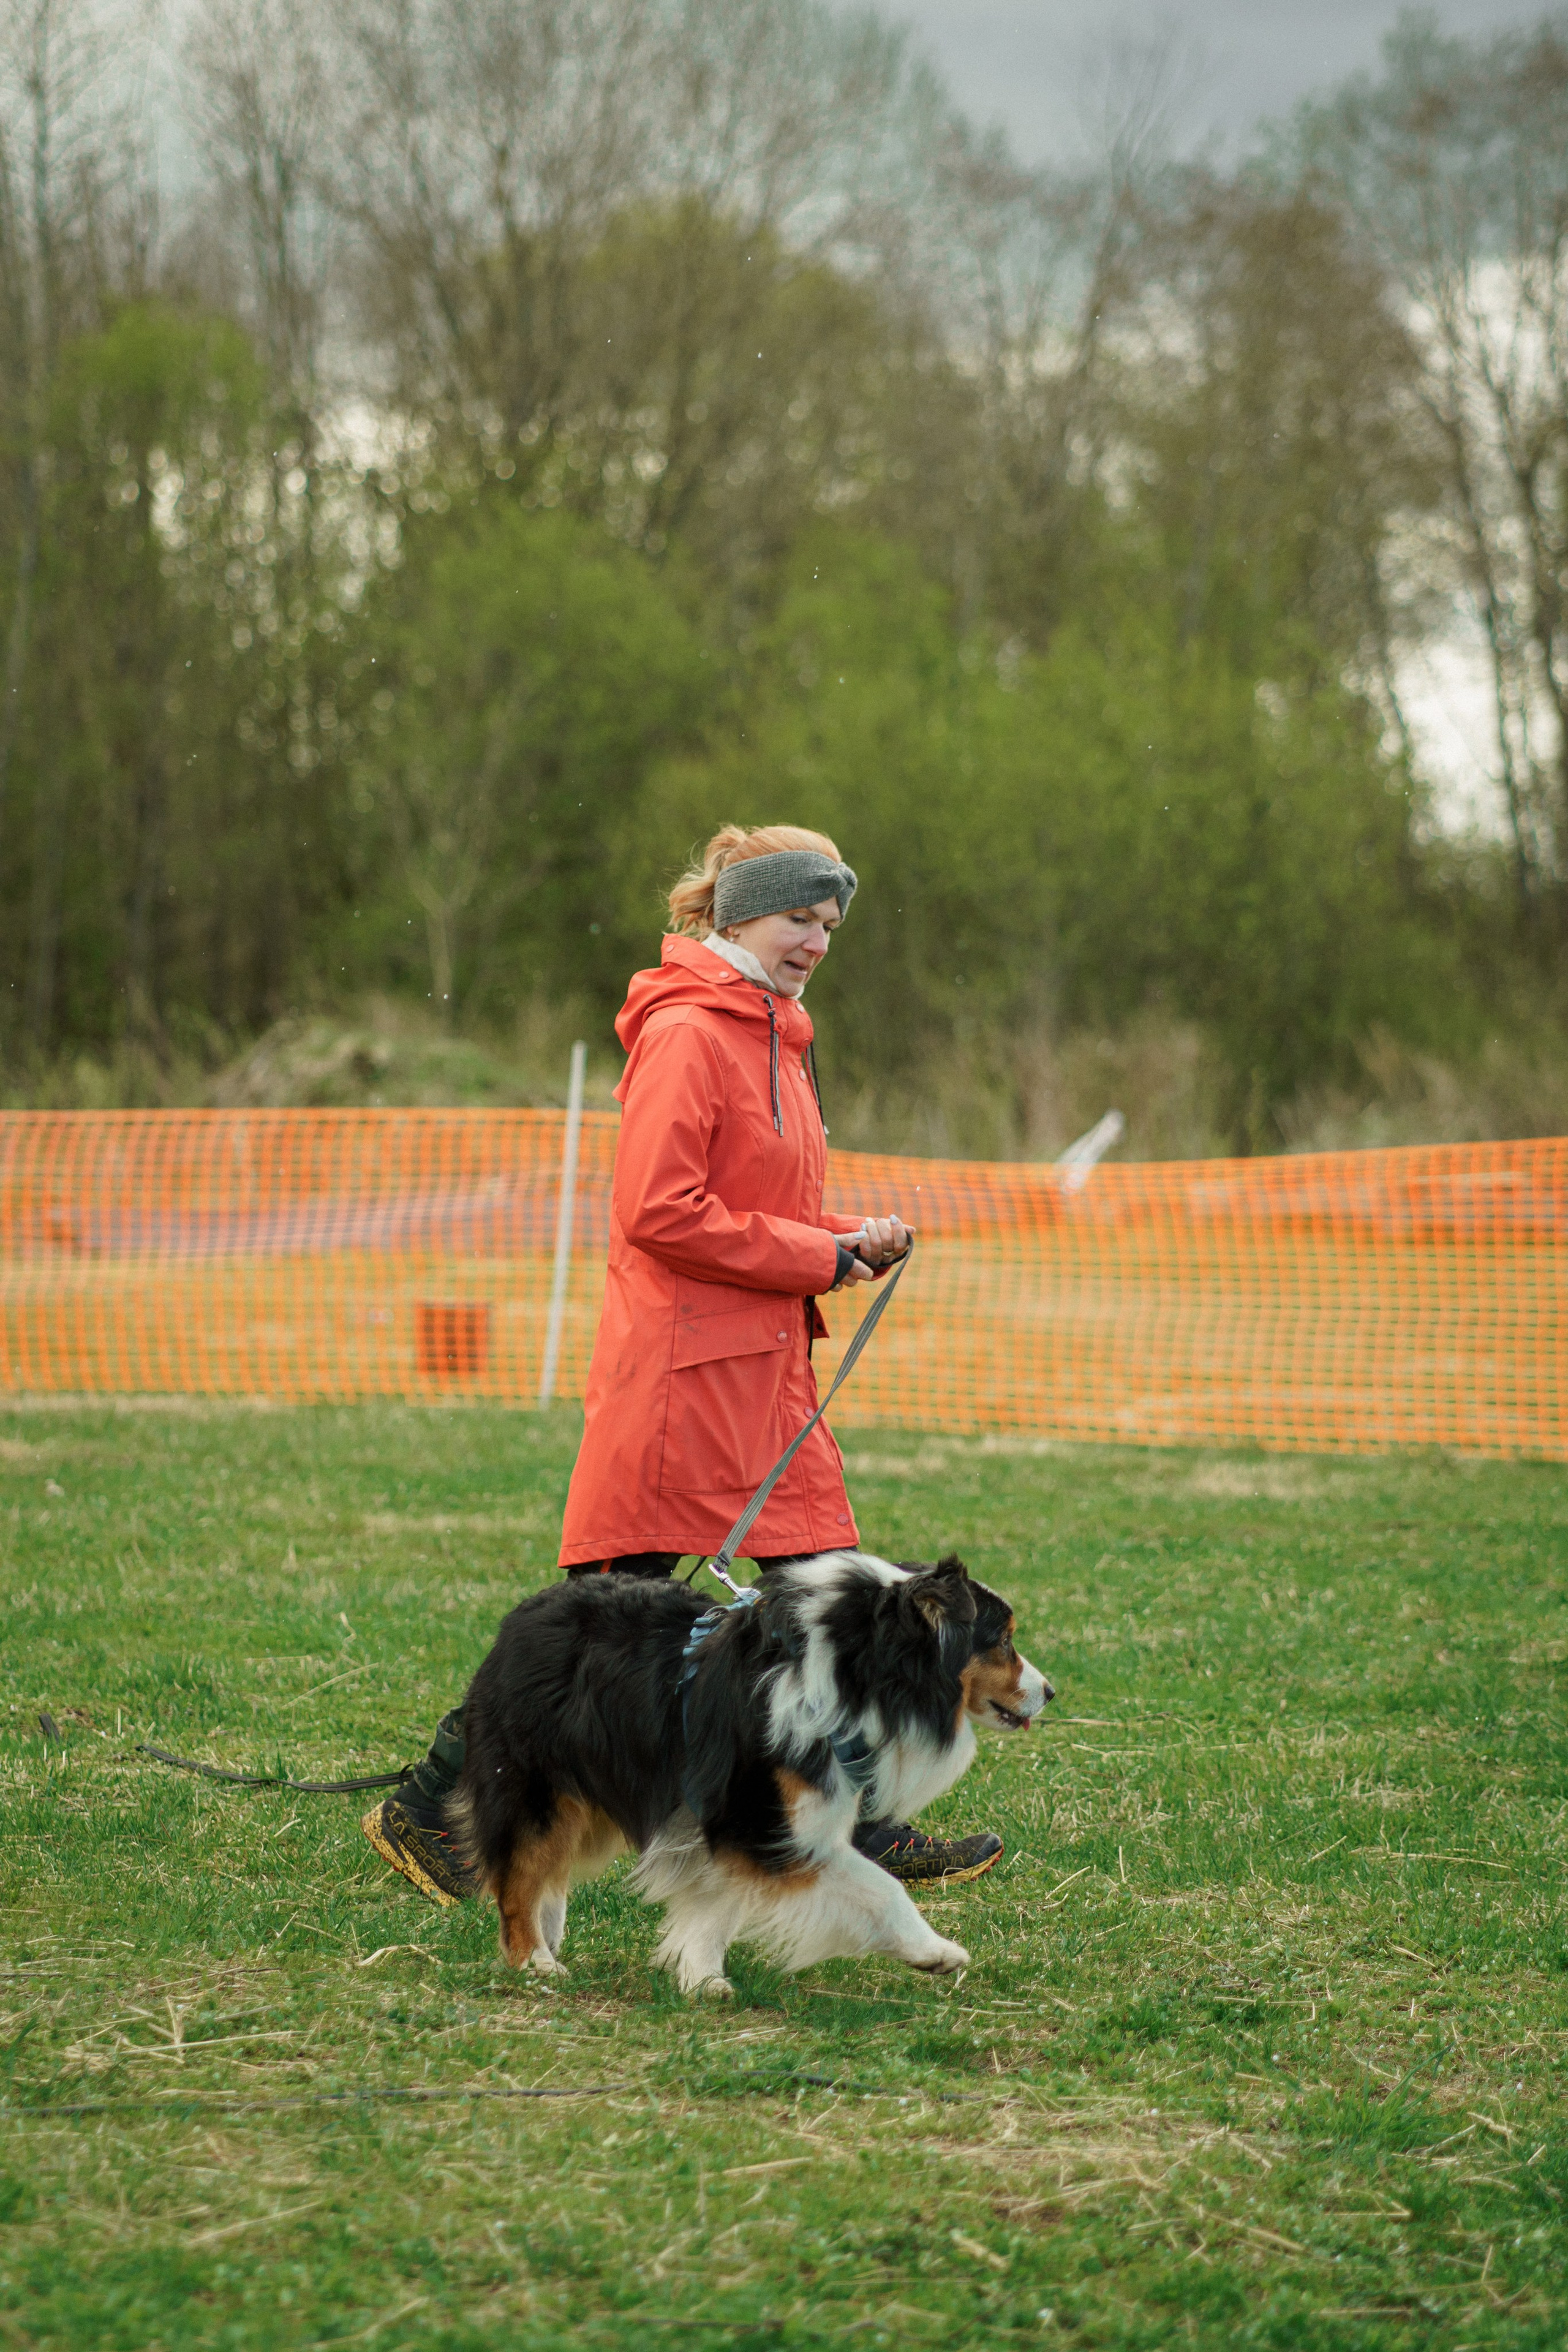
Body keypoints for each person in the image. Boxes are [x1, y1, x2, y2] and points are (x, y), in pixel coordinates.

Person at [364, 824, 1003, 1905]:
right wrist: (816, 1252)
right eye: (801, 918)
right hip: (681, 1384)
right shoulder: (690, 1034)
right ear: (741, 913)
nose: (817, 942)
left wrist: (845, 1237)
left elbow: (761, 1206)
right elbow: (659, 1211)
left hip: (761, 1372)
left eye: (832, 925)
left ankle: (864, 1821)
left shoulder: (776, 1033)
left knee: (834, 1595)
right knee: (592, 1627)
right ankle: (433, 1806)